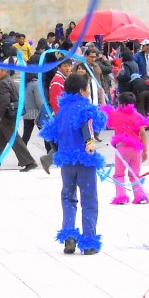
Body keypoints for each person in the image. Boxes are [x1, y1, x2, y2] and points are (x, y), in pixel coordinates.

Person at [39, 72, 107, 255]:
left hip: (67, 163)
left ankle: (69, 237)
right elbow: (89, 127)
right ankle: (89, 242)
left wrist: (59, 149)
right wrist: (89, 142)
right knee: (89, 199)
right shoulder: (86, 108)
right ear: (82, 90)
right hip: (84, 161)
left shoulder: (61, 111)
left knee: (68, 198)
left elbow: (51, 134)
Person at [0, 64, 37, 172]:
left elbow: (4, 102)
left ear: (5, 72)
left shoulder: (3, 84)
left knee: (15, 140)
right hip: (10, 115)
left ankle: (29, 161)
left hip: (6, 116)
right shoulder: (9, 81)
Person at [101, 91, 149, 205]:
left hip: (122, 149)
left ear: (121, 104)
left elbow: (104, 109)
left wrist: (102, 95)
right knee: (135, 174)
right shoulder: (137, 116)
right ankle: (140, 196)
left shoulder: (116, 114)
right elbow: (142, 133)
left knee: (119, 174)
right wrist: (145, 150)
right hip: (136, 149)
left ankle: (121, 196)